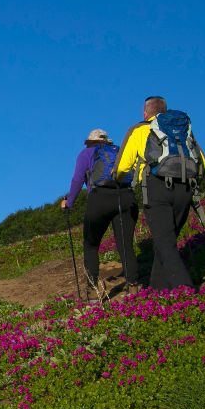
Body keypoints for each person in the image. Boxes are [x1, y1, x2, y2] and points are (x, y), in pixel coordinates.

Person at [113, 96, 205, 291]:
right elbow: (203, 163)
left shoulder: (139, 130)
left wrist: (118, 180)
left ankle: (186, 290)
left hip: (156, 188)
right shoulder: (181, 129)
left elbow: (122, 167)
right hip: (186, 188)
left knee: (165, 243)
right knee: (165, 241)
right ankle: (158, 291)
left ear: (145, 113)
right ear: (164, 110)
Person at [60, 128, 140, 299]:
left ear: (90, 141)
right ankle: (132, 287)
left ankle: (92, 292)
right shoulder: (119, 150)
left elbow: (77, 179)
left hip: (99, 198)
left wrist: (69, 202)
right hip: (125, 196)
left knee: (91, 245)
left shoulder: (86, 153)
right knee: (125, 244)